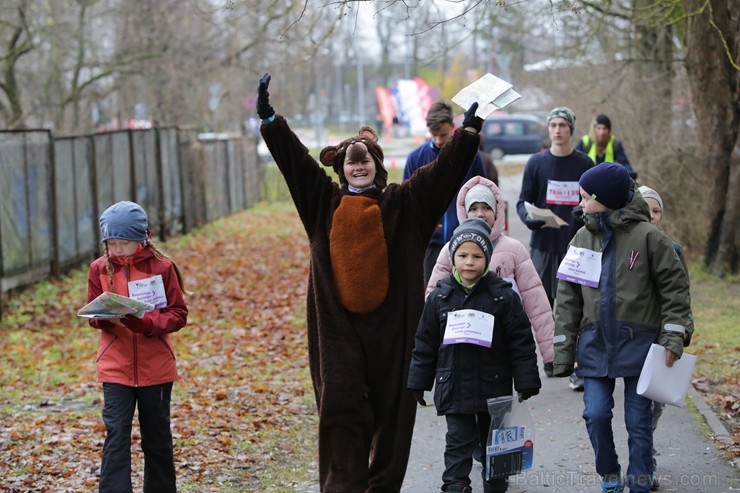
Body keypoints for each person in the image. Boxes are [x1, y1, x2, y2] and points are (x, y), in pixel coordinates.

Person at [256, 73, 484, 493]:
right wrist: (271, 121)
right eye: (350, 162)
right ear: (343, 170)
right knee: (341, 414)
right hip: (339, 336)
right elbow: (296, 165)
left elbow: (444, 174)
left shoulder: (404, 205)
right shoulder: (323, 204)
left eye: (364, 161)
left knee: (394, 420)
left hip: (393, 335)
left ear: (376, 166)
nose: (358, 165)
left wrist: (468, 131)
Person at [552, 163, 691, 493]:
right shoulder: (581, 239)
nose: (581, 204)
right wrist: (563, 349)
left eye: (586, 198)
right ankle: (609, 472)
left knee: (638, 423)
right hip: (594, 345)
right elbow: (567, 298)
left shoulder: (650, 239)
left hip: (640, 348)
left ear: (607, 199)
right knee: (596, 415)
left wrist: (673, 336)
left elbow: (675, 291)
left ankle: (640, 482)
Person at [408, 218, 541, 493]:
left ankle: (495, 482)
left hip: (494, 386)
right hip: (454, 386)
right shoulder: (439, 298)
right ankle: (455, 485)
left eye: (477, 256)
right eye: (463, 255)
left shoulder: (502, 297)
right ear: (453, 258)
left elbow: (520, 341)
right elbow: (425, 342)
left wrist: (526, 380)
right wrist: (418, 381)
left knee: (494, 443)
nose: (469, 262)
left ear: (488, 259)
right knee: (457, 442)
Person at [86, 200, 188, 493]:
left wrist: (145, 323)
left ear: (141, 238)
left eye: (123, 243)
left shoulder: (163, 268)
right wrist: (102, 319)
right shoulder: (98, 269)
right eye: (111, 243)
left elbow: (178, 315)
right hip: (114, 368)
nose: (116, 250)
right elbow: (93, 312)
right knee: (116, 434)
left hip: (156, 368)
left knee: (156, 437)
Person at [426, 177, 554, 376]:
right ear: (464, 212)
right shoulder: (451, 250)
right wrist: (427, 359)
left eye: (486, 207)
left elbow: (537, 304)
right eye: (473, 208)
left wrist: (551, 353)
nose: (480, 214)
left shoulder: (514, 250)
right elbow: (432, 300)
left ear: (497, 211)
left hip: (502, 348)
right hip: (460, 348)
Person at [638, 185, 694, 490]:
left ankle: (646, 446)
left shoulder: (672, 249)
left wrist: (685, 327)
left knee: (656, 403)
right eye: (645, 209)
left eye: (655, 210)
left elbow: (682, 292)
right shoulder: (628, 247)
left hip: (664, 335)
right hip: (636, 335)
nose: (650, 215)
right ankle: (645, 458)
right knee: (639, 403)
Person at [403, 100, 489, 285]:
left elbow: (485, 192)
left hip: (466, 242)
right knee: (431, 297)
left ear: (452, 126)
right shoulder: (415, 158)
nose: (439, 140)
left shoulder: (471, 155)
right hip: (430, 245)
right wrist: (421, 223)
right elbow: (407, 202)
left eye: (443, 134)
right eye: (434, 135)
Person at [515, 107, 593, 307]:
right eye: (553, 125)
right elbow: (523, 201)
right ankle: (546, 340)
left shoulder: (585, 164)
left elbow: (596, 202)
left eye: (562, 125)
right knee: (541, 305)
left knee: (575, 305)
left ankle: (571, 340)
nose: (557, 130)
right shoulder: (535, 163)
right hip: (543, 245)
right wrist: (528, 218)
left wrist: (585, 211)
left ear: (571, 130)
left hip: (576, 246)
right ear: (548, 130)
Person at [575, 114, 636, 178]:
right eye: (599, 128)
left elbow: (625, 164)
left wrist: (630, 175)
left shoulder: (614, 144)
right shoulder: (585, 143)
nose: (602, 132)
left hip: (608, 182)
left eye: (605, 128)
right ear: (594, 129)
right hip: (587, 182)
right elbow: (575, 164)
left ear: (609, 130)